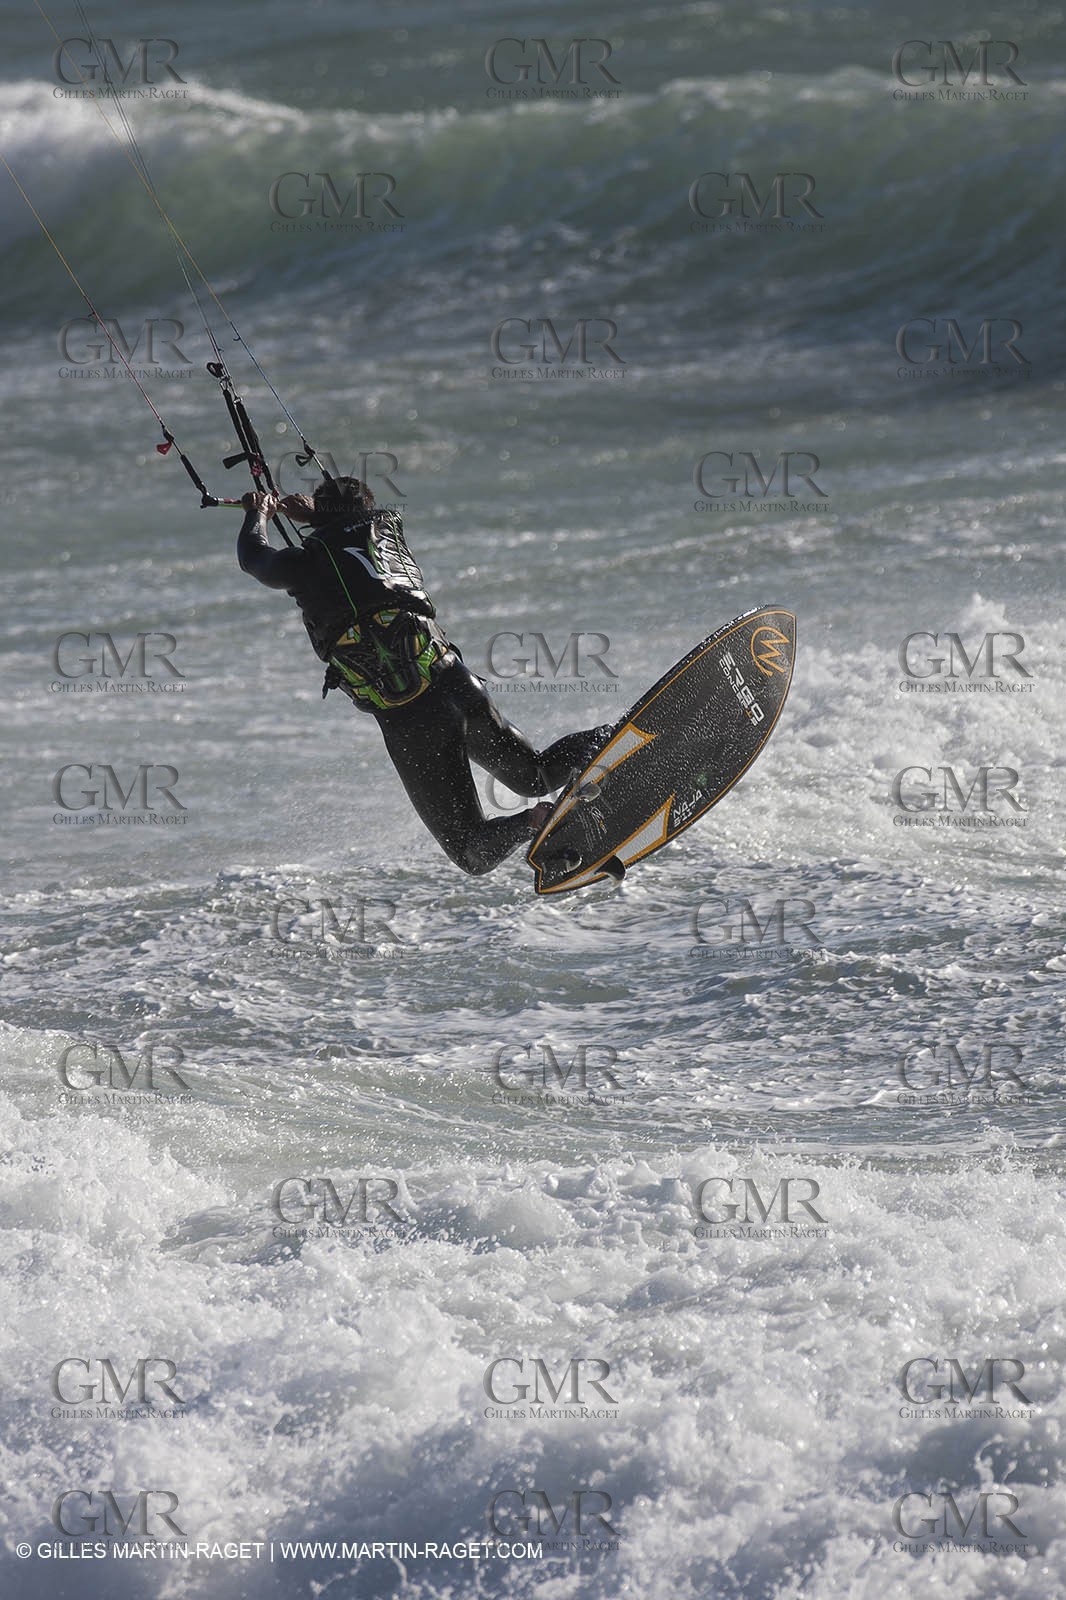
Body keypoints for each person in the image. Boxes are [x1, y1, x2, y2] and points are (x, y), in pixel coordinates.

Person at [237, 477, 611, 875]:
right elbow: (349, 533)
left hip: (413, 721)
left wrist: (256, 512)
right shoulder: (387, 530)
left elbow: (253, 558)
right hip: (457, 684)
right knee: (535, 774)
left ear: (318, 519)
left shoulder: (302, 564)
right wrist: (318, 514)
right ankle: (606, 740)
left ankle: (534, 822)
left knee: (472, 852)